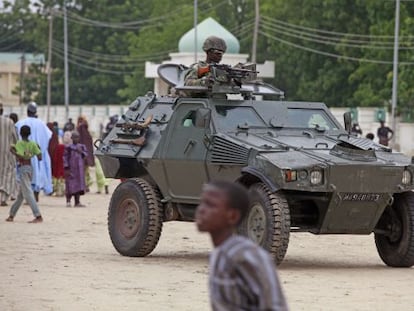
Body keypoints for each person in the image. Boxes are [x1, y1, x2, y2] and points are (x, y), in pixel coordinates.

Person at [195, 181, 288, 310]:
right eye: (202, 203)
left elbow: (274, 306)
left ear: (232, 216)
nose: (201, 210)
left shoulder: (248, 256)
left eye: (211, 205)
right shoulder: (218, 255)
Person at [16, 102, 53, 201]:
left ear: (27, 111)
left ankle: (28, 197)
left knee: (25, 177)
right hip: (38, 155)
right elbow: (48, 137)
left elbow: (16, 138)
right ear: (35, 112)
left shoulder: (20, 123)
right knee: (38, 176)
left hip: (24, 155)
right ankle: (35, 196)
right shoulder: (41, 124)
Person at [6, 125, 43, 223]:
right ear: (29, 134)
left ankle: (38, 215)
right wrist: (35, 150)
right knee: (21, 195)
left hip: (23, 168)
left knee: (28, 193)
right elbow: (40, 157)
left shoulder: (19, 143)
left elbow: (21, 156)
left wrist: (13, 152)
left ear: (20, 134)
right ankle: (11, 215)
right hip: (30, 169)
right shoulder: (33, 144)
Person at [0, 103, 18, 206]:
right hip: (6, 153)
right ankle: (3, 199)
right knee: (7, 174)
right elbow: (15, 138)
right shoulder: (9, 122)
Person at [63, 131, 87, 207]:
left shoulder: (82, 146)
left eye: (77, 137)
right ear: (72, 138)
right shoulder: (69, 147)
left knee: (78, 185)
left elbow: (86, 155)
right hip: (71, 168)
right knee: (70, 184)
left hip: (79, 169)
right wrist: (66, 166)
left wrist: (81, 152)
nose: (76, 139)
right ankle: (68, 201)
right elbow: (65, 157)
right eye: (74, 137)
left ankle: (77, 202)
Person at [77, 115, 95, 192]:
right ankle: (86, 186)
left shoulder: (79, 130)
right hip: (87, 155)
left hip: (81, 155)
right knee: (86, 171)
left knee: (81, 171)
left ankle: (83, 186)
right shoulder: (87, 132)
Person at [47, 122, 65, 196]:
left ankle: (53, 189)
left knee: (54, 174)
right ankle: (55, 189)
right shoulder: (55, 137)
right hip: (54, 158)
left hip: (52, 158)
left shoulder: (49, 136)